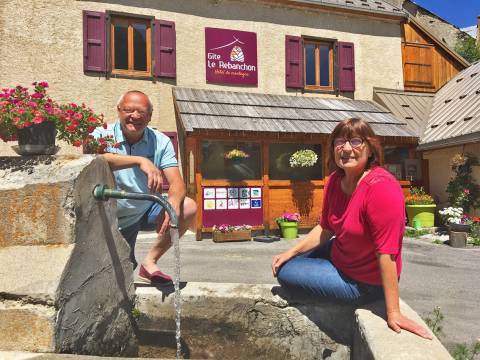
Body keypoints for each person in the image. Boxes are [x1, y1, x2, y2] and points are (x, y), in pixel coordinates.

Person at [271, 118, 432, 339]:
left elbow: (387, 253)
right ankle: (318, 267)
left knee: (286, 272)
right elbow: (326, 228)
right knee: (287, 260)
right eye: (340, 142)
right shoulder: (335, 181)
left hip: (363, 281)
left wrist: (393, 312)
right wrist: (290, 251)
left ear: (371, 149)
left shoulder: (382, 189)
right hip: (340, 251)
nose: (346, 148)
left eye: (356, 141)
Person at [92, 90, 197, 284]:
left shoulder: (161, 141)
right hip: (111, 217)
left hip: (145, 208)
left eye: (141, 112)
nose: (135, 116)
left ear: (149, 116)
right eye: (129, 110)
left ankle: (150, 262)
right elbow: (96, 159)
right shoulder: (102, 133)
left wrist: (172, 205)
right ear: (119, 111)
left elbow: (177, 183)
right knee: (115, 276)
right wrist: (139, 160)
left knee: (188, 206)